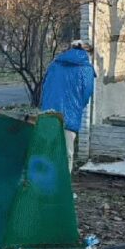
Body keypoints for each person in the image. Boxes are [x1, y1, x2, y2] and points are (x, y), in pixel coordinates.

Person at [40, 40, 97, 173]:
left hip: (48, 112)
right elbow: (87, 93)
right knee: (67, 153)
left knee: (47, 151)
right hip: (70, 114)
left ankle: (43, 187)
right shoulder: (86, 68)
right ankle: (63, 189)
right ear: (88, 53)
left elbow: (45, 86)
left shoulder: (55, 64)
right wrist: (77, 106)